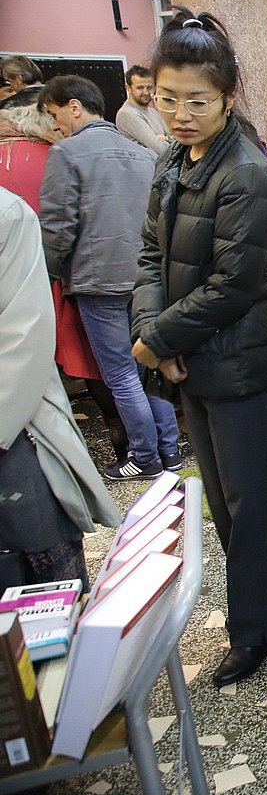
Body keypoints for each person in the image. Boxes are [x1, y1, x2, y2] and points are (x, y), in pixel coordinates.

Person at [132, 8, 267, 687]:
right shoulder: (173, 159)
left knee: (246, 501)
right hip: (192, 354)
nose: (180, 114)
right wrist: (156, 334)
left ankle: (255, 630)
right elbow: (151, 254)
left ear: (228, 97)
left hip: (241, 359)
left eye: (197, 101)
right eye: (167, 98)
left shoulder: (245, 171)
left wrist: (160, 338)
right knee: (228, 499)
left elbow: (236, 283)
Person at [37, 75, 182, 481]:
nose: (55, 126)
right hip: (145, 276)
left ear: (74, 106)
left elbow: (57, 226)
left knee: (120, 374)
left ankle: (145, 456)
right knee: (148, 367)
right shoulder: (142, 154)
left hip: (97, 279)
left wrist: (45, 276)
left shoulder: (66, 153)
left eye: (54, 115)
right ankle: (169, 451)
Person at [0, 186, 120, 587]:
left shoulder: (8, 214)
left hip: (14, 429)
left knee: (42, 586)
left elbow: (24, 338)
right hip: (102, 279)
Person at [116, 64, 170, 155]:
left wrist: (167, 138)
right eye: (140, 88)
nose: (146, 92)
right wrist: (167, 139)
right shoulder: (126, 114)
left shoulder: (153, 112)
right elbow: (161, 149)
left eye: (149, 87)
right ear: (128, 88)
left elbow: (178, 139)